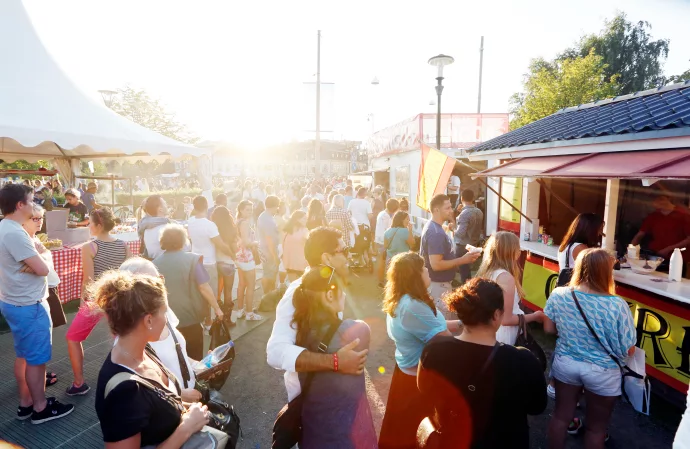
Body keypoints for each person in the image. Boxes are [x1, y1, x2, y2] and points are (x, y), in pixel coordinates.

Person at [418, 278, 547, 449]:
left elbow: (424, 388)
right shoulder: (523, 360)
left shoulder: (434, 350)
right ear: (496, 315)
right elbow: (537, 407)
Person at [93, 271, 212, 448]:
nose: (167, 319)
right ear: (148, 320)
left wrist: (178, 402)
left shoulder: (145, 350)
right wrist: (186, 428)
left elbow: (151, 405)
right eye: (165, 312)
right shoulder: (124, 392)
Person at [543, 248, 637, 448]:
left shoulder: (559, 294)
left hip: (566, 363)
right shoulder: (618, 305)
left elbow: (548, 329)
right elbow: (629, 349)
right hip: (603, 371)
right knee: (596, 428)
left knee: (560, 417)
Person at [0, 184, 74, 423]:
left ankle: (26, 403)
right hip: (29, 305)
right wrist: (39, 257)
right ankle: (40, 408)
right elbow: (43, 269)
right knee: (36, 361)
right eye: (31, 201)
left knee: (24, 356)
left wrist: (34, 261)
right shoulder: (15, 233)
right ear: (20, 205)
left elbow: (34, 265)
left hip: (14, 302)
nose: (34, 205)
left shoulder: (5, 227)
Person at [267, 227, 367, 402]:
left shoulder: (329, 285)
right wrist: (334, 362)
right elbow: (275, 352)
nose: (349, 256)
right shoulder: (298, 293)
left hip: (332, 395)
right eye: (344, 250)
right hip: (308, 400)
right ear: (326, 258)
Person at [379, 252, 460, 449]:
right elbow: (445, 342)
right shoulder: (413, 306)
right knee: (418, 436)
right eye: (423, 268)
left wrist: (462, 323)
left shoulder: (405, 300)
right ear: (414, 275)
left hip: (407, 374)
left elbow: (435, 325)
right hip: (416, 382)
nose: (427, 270)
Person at [292, 266, 377, 448]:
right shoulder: (358, 330)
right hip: (347, 436)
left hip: (313, 433)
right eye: (342, 289)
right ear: (330, 295)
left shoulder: (299, 332)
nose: (344, 295)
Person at [65, 208, 131, 396]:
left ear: (98, 225)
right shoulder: (123, 245)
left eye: (90, 223)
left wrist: (83, 302)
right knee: (122, 338)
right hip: (119, 298)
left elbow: (89, 280)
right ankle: (126, 379)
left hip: (98, 298)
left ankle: (79, 383)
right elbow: (128, 273)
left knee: (73, 338)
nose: (89, 226)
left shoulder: (90, 247)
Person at [119, 257, 203, 402]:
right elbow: (140, 389)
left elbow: (176, 351)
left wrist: (200, 365)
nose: (159, 287)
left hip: (190, 394)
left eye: (160, 279)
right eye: (151, 285)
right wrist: (179, 394)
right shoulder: (130, 336)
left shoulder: (163, 311)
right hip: (171, 405)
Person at [153, 224, 225, 360]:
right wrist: (217, 308)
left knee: (173, 358)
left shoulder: (155, 263)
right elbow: (204, 287)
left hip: (166, 319)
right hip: (190, 317)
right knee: (194, 357)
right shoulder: (193, 259)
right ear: (183, 240)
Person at [476, 231, 544, 345]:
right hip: (504, 335)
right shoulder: (505, 277)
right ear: (509, 251)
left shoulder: (488, 272)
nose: (520, 251)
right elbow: (506, 320)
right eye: (517, 247)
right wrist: (534, 316)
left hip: (491, 331)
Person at [420, 194, 481, 319]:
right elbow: (436, 265)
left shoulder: (436, 228)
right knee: (441, 324)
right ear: (436, 210)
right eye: (447, 208)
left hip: (438, 284)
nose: (451, 210)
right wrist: (463, 260)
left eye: (450, 207)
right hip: (437, 285)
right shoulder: (436, 233)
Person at [22, 204, 66, 329]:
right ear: (23, 220)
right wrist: (43, 255)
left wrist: (43, 255)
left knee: (49, 327)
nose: (40, 221)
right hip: (37, 292)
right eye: (35, 218)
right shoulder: (24, 239)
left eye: (41, 218)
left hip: (47, 285)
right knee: (41, 328)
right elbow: (28, 268)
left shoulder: (34, 237)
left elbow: (43, 260)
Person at [187, 195, 235, 309]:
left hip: (196, 260)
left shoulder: (190, 221)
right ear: (206, 206)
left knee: (201, 293)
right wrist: (232, 255)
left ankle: (205, 317)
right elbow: (221, 245)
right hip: (209, 262)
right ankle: (212, 318)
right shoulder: (209, 225)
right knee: (211, 294)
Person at [630, 194, 690, 260]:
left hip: (678, 257)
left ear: (669, 199)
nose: (658, 202)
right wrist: (630, 251)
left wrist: (668, 249)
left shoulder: (684, 215)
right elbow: (639, 236)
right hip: (655, 255)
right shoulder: (653, 216)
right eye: (655, 200)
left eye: (661, 199)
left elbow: (688, 239)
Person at [235, 200, 262, 321]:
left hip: (239, 256)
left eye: (251, 210)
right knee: (251, 285)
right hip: (247, 257)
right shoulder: (244, 223)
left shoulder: (238, 221)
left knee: (242, 284)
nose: (250, 212)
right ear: (241, 210)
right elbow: (246, 242)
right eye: (247, 210)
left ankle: (240, 310)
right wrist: (256, 243)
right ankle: (249, 313)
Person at [454, 189, 484, 283]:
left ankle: (466, 288)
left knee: (464, 271)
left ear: (461, 198)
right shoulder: (479, 212)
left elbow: (460, 233)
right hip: (474, 243)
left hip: (463, 245)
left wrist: (452, 229)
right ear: (473, 198)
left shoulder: (464, 214)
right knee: (468, 270)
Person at [211, 206, 238, 307]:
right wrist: (234, 254)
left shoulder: (213, 228)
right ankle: (227, 315)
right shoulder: (231, 229)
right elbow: (234, 248)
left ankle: (218, 314)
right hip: (228, 263)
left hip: (215, 262)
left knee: (217, 292)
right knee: (228, 292)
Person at [138, 195, 174, 260]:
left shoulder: (146, 227)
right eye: (165, 203)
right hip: (166, 263)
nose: (167, 206)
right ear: (160, 209)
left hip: (153, 262)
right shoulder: (165, 228)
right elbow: (184, 248)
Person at [258, 195, 281, 296]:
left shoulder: (264, 216)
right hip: (269, 251)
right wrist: (274, 255)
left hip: (265, 249)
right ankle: (268, 295)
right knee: (270, 274)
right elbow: (269, 239)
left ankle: (267, 295)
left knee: (267, 273)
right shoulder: (268, 219)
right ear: (275, 206)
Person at [375, 198, 400, 286]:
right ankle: (381, 281)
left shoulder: (386, 214)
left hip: (384, 241)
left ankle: (384, 281)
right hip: (383, 242)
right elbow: (384, 232)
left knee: (384, 262)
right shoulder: (384, 216)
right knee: (382, 262)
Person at [282, 210, 309, 282]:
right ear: (297, 219)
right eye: (304, 218)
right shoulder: (304, 231)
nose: (306, 220)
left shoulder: (286, 230)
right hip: (301, 263)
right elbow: (309, 245)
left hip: (289, 262)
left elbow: (283, 245)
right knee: (302, 285)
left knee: (293, 284)